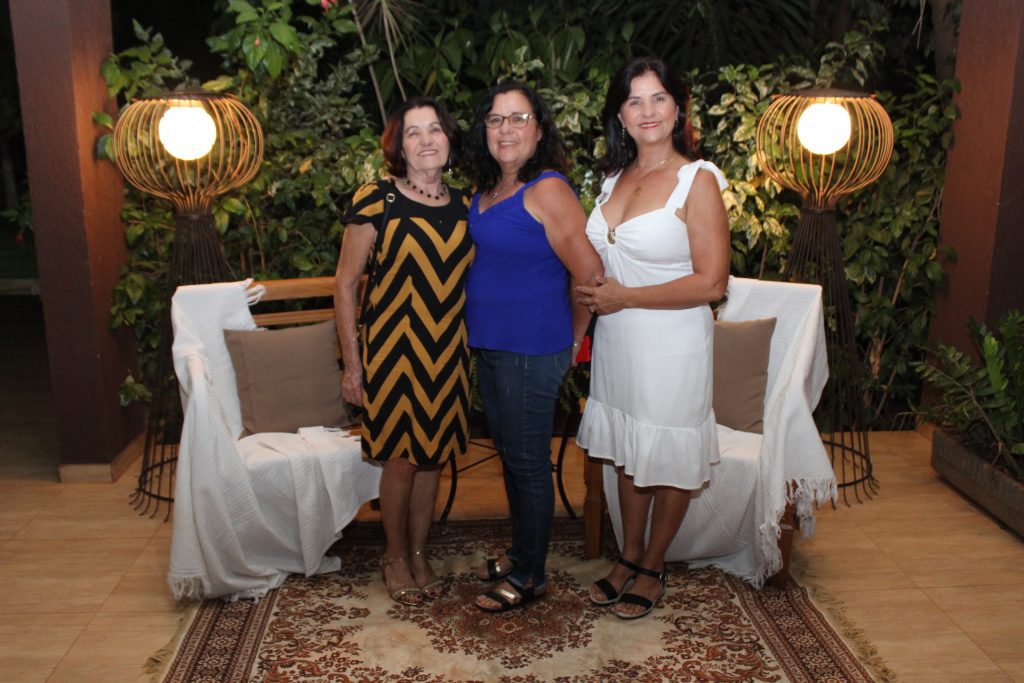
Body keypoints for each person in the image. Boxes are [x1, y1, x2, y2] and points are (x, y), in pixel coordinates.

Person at [575, 57, 730, 619]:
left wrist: (627, 298)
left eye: (658, 97)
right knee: (628, 451)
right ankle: (627, 555)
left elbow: (712, 283)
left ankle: (653, 564)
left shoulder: (698, 180)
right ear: (620, 114)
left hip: (672, 344)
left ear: (678, 108)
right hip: (617, 343)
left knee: (667, 453)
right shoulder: (612, 180)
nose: (647, 111)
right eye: (634, 100)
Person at [464, 82, 603, 612]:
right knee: (512, 458)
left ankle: (530, 576)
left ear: (539, 130)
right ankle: (522, 553)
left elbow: (590, 273)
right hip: (493, 346)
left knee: (527, 463)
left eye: (518, 118)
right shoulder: (488, 190)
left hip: (531, 348)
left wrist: (572, 339)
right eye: (496, 119)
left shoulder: (547, 190)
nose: (506, 129)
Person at [335, 96, 473, 606]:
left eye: (435, 129)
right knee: (400, 460)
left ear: (449, 139)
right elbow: (344, 285)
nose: (426, 140)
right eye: (413, 132)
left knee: (432, 460)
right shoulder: (377, 200)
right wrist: (353, 366)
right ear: (399, 146)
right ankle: (394, 556)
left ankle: (419, 552)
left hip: (448, 352)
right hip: (392, 353)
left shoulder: (468, 205)